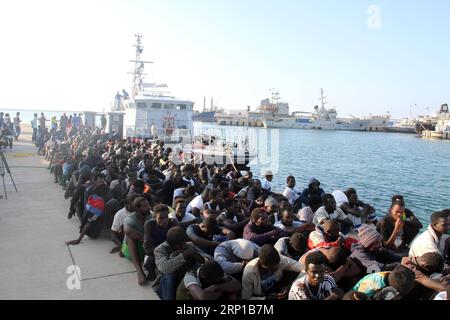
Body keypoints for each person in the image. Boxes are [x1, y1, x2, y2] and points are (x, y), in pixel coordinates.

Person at [154, 227, 208, 300]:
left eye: (184, 243)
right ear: (171, 244)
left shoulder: (188, 245)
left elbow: (207, 260)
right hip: (169, 280)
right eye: (180, 245)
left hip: (186, 275)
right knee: (169, 276)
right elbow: (164, 268)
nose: (183, 246)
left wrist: (197, 256)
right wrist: (184, 254)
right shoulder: (160, 250)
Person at [143, 204, 179, 281]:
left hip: (169, 251)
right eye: (160, 218)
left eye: (166, 217)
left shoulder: (173, 222)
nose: (164, 221)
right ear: (154, 217)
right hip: (154, 253)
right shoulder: (149, 224)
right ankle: (151, 271)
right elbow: (147, 248)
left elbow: (179, 241)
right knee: (150, 261)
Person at [121, 197, 151, 285]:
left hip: (146, 248)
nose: (149, 207)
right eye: (145, 206)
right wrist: (145, 239)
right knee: (130, 237)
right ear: (137, 208)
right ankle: (139, 271)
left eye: (148, 205)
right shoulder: (130, 219)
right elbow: (127, 230)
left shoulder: (150, 216)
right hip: (132, 251)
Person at [176, 261, 241, 300]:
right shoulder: (190, 277)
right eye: (215, 281)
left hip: (210, 294)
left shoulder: (215, 272)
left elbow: (237, 285)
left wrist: (218, 287)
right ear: (204, 278)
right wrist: (223, 289)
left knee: (231, 291)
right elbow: (203, 297)